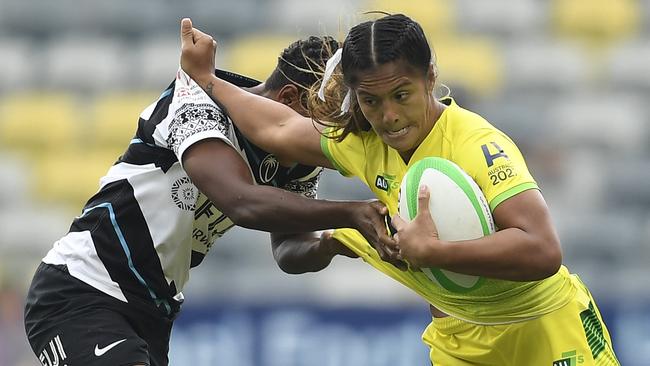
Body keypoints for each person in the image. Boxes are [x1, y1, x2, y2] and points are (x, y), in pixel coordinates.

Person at [179, 14, 620, 365]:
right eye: (371, 101)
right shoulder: (364, 144)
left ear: (430, 77)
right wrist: (210, 82)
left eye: (401, 95)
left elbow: (543, 251)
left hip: (544, 328)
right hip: (459, 341)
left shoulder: (478, 145)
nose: (388, 115)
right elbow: (276, 126)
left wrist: (434, 253)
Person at [23, 35, 400, 366]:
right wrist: (352, 212)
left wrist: (333, 242)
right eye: (326, 123)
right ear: (290, 100)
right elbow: (242, 202)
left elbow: (289, 248)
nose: (329, 142)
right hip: (81, 289)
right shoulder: (196, 102)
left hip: (153, 310)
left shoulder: (296, 162)